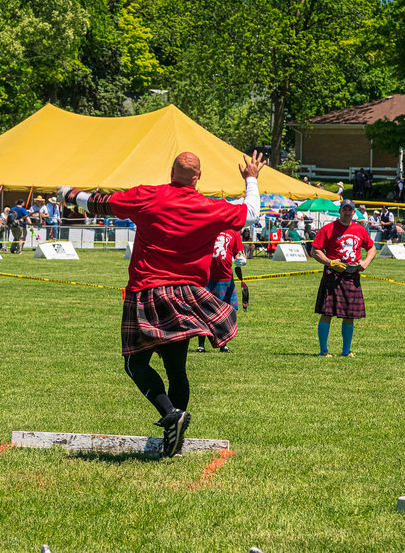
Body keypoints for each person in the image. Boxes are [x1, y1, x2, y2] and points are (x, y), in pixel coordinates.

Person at [57, 150, 263, 458]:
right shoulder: (209, 207)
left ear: (171, 172)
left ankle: (171, 414)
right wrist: (251, 179)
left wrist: (71, 194)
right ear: (199, 177)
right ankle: (173, 443)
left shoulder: (149, 196)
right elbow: (251, 213)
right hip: (187, 296)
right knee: (176, 369)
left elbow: (103, 203)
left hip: (147, 292)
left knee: (135, 363)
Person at [311, 200, 377, 357]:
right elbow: (315, 250)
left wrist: (366, 262)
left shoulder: (360, 230)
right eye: (344, 209)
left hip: (352, 275)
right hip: (333, 274)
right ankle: (323, 350)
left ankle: (346, 351)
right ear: (340, 211)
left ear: (354, 212)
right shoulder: (328, 229)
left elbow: (372, 247)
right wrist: (329, 262)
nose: (347, 212)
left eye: (350, 210)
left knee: (350, 314)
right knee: (327, 312)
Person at [196, 228, 246, 353]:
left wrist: (241, 258)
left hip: (225, 279)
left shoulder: (233, 230)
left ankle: (224, 345)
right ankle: (201, 345)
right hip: (205, 278)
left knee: (225, 313)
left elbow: (238, 251)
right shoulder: (206, 225)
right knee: (203, 312)